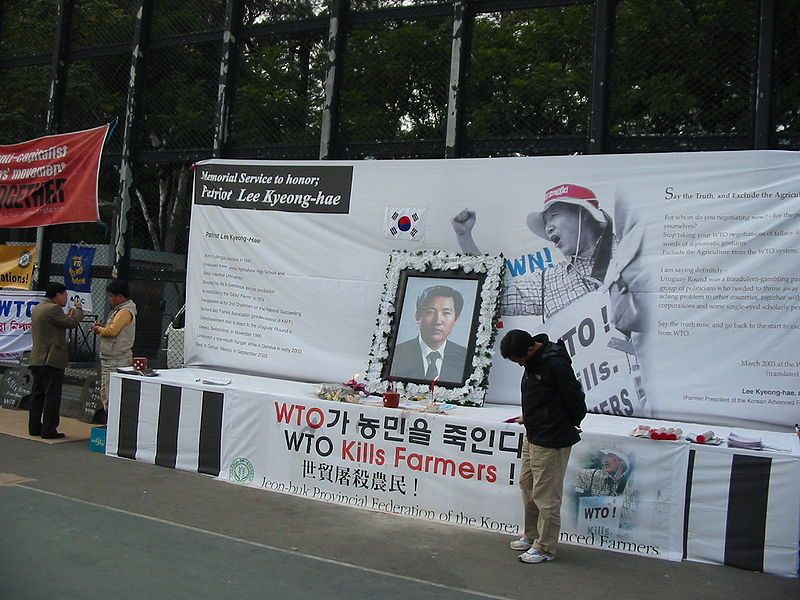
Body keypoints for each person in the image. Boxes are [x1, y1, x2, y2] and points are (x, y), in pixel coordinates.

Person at [452, 183, 614, 321]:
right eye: (545, 222)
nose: (548, 228)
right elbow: (495, 296)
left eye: (554, 216)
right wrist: (464, 238)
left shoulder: (631, 251)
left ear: (583, 214)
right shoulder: (549, 280)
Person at [500, 329, 586, 564]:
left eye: (520, 360)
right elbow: (543, 397)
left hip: (552, 439)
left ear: (530, 349)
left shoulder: (555, 363)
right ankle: (531, 535)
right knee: (526, 486)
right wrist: (529, 416)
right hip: (533, 433)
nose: (520, 365)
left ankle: (546, 547)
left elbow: (575, 399)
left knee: (546, 496)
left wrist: (569, 423)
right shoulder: (533, 362)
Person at [28, 282, 84, 439]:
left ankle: (34, 427)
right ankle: (49, 430)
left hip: (37, 358)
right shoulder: (53, 308)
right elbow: (71, 323)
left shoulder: (38, 308)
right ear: (58, 295)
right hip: (51, 358)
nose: (66, 298)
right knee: (52, 395)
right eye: (65, 294)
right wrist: (79, 310)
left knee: (37, 394)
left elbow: (55, 325)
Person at [390, 284, 468, 383]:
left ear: (455, 319)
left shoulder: (465, 357)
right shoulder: (398, 354)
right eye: (430, 312)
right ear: (418, 316)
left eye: (446, 313)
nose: (438, 321)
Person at [92, 279, 137, 411]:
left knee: (111, 395)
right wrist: (103, 327)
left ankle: (111, 426)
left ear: (120, 296)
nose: (110, 299)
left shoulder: (124, 311)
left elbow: (112, 331)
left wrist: (98, 329)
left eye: (111, 296)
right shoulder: (120, 311)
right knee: (106, 393)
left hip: (116, 360)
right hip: (111, 358)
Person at [574, 448, 637, 529]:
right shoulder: (597, 475)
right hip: (593, 531)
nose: (605, 460)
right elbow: (572, 472)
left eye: (610, 456)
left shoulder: (633, 484)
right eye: (604, 457)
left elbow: (631, 519)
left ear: (622, 462)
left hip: (620, 535)